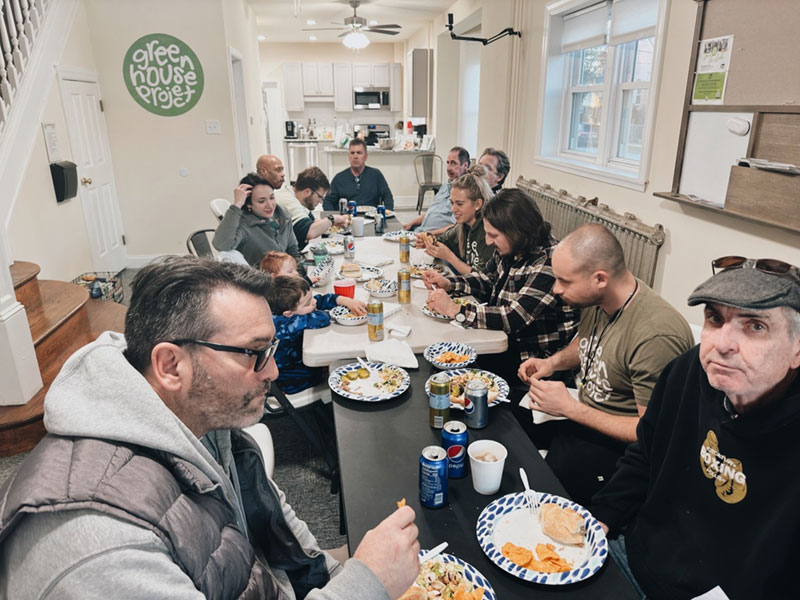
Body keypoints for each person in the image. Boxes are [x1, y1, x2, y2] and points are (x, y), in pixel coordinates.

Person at [0, 256, 420, 599]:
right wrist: (366, 583)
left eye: (270, 348)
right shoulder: (101, 545)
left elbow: (274, 523)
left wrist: (340, 571)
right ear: (170, 365)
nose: (272, 369)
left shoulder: (199, 415)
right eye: (254, 353)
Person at [589, 256, 800, 600]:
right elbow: (646, 451)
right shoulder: (688, 370)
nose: (722, 344)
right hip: (638, 558)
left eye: (755, 326)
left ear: (796, 349)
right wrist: (602, 516)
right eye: (715, 318)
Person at [516, 224, 694, 505]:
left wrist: (570, 409)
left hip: (619, 445)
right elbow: (586, 343)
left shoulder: (655, 336)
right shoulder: (597, 300)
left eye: (564, 281)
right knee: (504, 418)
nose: (556, 289)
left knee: (547, 493)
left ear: (599, 278)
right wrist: (552, 363)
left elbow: (650, 431)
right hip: (583, 412)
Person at [423, 188, 578, 382]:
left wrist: (455, 309)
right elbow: (486, 280)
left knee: (445, 368)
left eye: (494, 236)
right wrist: (448, 283)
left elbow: (513, 317)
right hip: (505, 344)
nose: (488, 241)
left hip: (530, 361)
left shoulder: (549, 262)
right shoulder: (512, 247)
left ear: (518, 232)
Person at [265, 276, 352, 394]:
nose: (314, 302)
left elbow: (317, 301)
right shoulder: (284, 326)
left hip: (289, 365)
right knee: (325, 370)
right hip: (288, 380)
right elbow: (321, 319)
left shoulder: (283, 309)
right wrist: (329, 313)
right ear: (289, 313)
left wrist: (341, 300)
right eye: (308, 303)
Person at [213, 172, 304, 268]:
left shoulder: (282, 214)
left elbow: (293, 250)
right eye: (261, 201)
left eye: (272, 198)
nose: (270, 205)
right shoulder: (244, 223)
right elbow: (221, 245)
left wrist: (300, 277)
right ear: (248, 204)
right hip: (262, 280)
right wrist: (237, 205)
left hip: (287, 276)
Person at [416, 165, 495, 275]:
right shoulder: (462, 226)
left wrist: (449, 257)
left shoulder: (489, 233)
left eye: (459, 204)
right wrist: (428, 242)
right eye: (452, 203)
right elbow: (442, 242)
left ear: (478, 204)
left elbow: (482, 278)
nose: (453, 209)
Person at [260, 250, 366, 316]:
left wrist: (344, 300)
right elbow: (318, 319)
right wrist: (329, 314)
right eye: (290, 271)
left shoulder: (292, 291)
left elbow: (314, 301)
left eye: (295, 269)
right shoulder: (276, 310)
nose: (296, 273)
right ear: (273, 276)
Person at [402, 147, 470, 234]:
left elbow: (455, 228)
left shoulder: (465, 192)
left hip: (435, 238)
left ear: (465, 166)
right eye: (448, 163)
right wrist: (412, 223)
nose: (448, 168)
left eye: (453, 163)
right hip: (420, 231)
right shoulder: (446, 185)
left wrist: (429, 235)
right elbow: (433, 211)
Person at [277, 167, 351, 244]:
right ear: (307, 192)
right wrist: (332, 219)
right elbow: (309, 232)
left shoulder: (296, 197)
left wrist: (333, 224)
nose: (321, 202)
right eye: (319, 197)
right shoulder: (288, 200)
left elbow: (313, 222)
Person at [322, 138, 394, 210]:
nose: (355, 156)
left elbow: (388, 197)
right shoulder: (339, 178)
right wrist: (335, 218)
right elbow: (328, 201)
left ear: (366, 156)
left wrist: (387, 213)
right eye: (352, 153)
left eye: (359, 153)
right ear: (349, 156)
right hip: (347, 218)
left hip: (372, 217)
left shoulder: (376, 175)